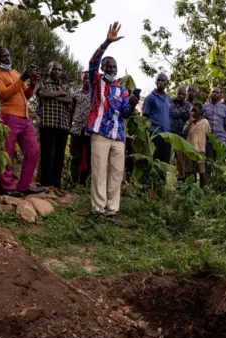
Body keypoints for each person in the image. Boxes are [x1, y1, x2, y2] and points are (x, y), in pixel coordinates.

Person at [87, 22, 140, 222]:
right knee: (99, 172)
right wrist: (107, 42)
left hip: (118, 136)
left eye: (114, 66)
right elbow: (92, 61)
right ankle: (98, 210)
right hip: (100, 133)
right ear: (102, 68)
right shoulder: (96, 81)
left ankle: (112, 211)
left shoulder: (122, 90)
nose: (111, 68)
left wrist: (133, 105)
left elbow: (125, 113)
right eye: (108, 66)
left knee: (116, 174)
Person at [0, 47, 44, 197]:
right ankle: (7, 186)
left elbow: (26, 95)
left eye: (8, 55)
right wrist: (23, 77)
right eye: (4, 57)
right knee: (7, 152)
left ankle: (24, 185)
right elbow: (4, 95)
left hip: (24, 118)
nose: (8, 58)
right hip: (8, 116)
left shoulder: (14, 72)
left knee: (33, 150)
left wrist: (32, 84)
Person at [36, 61, 73, 189]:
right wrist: (60, 94)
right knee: (47, 154)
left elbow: (70, 100)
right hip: (47, 124)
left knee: (59, 156)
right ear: (49, 70)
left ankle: (56, 185)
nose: (57, 71)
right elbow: (43, 94)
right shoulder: (43, 83)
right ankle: (45, 184)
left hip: (62, 125)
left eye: (59, 70)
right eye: (54, 69)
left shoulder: (65, 86)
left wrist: (53, 96)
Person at [142, 73, 172, 164]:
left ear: (167, 83)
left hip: (166, 135)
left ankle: (162, 179)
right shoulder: (150, 98)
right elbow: (145, 116)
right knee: (155, 160)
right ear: (155, 82)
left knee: (165, 161)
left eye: (163, 81)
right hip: (155, 134)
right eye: (158, 80)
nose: (160, 82)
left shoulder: (168, 98)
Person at [69, 71, 92, 186]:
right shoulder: (75, 93)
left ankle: (84, 184)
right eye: (84, 78)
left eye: (89, 78)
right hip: (76, 129)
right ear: (81, 79)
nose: (86, 80)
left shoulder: (95, 94)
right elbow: (71, 110)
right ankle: (74, 182)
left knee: (89, 158)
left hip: (90, 130)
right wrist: (69, 125)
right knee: (75, 157)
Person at [203, 87, 226, 181]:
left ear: (220, 95)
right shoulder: (204, 107)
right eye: (213, 92)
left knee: (220, 163)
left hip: (220, 139)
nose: (215, 93)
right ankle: (207, 186)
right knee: (208, 163)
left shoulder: (225, 108)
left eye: (217, 92)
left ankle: (219, 183)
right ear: (210, 94)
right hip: (208, 139)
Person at [182, 103, 211, 186]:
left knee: (202, 172)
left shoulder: (205, 122)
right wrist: (191, 122)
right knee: (190, 172)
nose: (193, 113)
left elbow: (208, 135)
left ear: (200, 112)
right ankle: (192, 189)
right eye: (191, 111)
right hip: (189, 151)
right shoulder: (188, 122)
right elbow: (184, 132)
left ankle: (203, 189)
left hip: (200, 151)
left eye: (195, 111)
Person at [170, 86, 192, 182]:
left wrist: (181, 113)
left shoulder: (188, 104)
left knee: (182, 160)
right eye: (179, 93)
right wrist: (183, 112)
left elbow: (188, 117)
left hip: (183, 135)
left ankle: (181, 180)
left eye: (183, 94)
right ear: (176, 93)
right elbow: (172, 113)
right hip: (171, 133)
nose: (181, 96)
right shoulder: (170, 101)